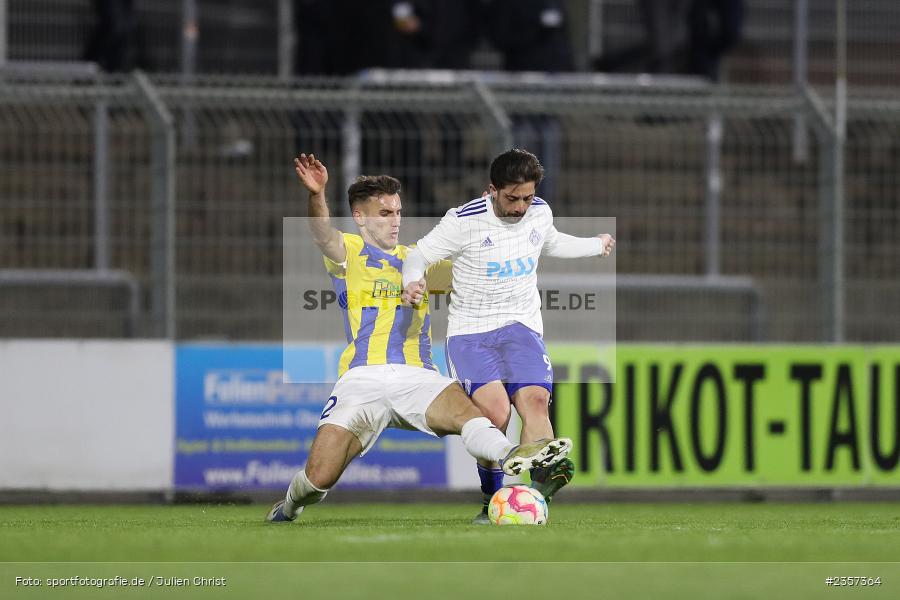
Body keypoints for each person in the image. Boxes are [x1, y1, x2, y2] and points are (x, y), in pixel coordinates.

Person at [267, 153, 573, 522]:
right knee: (318, 480)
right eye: (385, 213)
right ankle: (289, 506)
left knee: (475, 416)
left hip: (418, 377)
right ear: (360, 217)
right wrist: (317, 195)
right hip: (361, 378)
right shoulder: (348, 253)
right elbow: (321, 233)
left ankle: (511, 458)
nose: (395, 221)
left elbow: (479, 270)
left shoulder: (422, 260)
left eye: (398, 212)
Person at [401, 149, 614, 524]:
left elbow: (551, 242)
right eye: (511, 198)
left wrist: (595, 245)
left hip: (521, 326)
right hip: (471, 333)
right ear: (492, 190)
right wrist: (412, 281)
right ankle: (493, 496)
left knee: (535, 400)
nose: (520, 207)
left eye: (527, 198)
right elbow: (418, 255)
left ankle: (538, 488)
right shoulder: (462, 221)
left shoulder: (539, 212)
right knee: (494, 413)